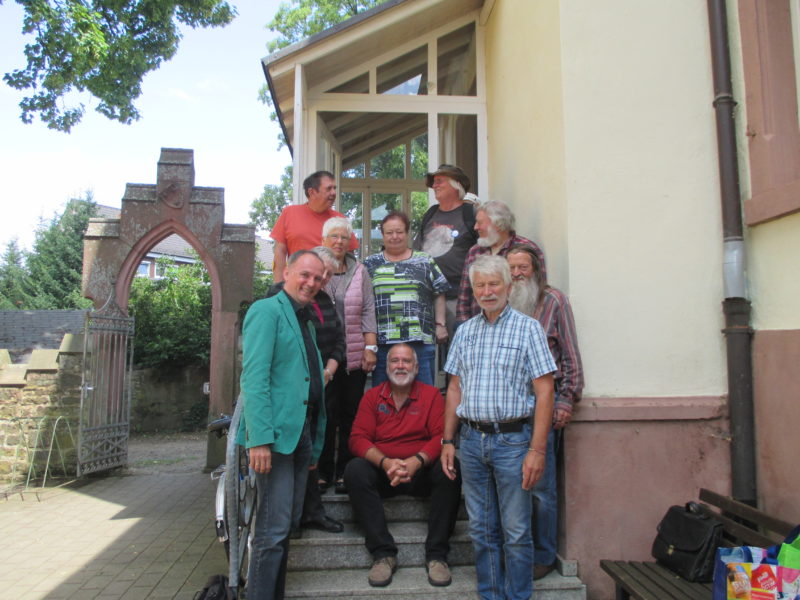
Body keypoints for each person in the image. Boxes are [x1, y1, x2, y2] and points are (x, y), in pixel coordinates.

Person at [441, 255, 556, 600]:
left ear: (507, 286)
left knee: (517, 531)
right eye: (480, 285)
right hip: (473, 442)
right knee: (481, 528)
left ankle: (518, 595)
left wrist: (537, 450)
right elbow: (454, 388)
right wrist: (449, 439)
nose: (487, 291)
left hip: (514, 442)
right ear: (473, 290)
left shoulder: (528, 328)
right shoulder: (465, 331)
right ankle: (490, 594)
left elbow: (545, 389)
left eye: (494, 284)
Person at [238, 250, 328, 599]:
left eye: (317, 278)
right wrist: (258, 439)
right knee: (271, 531)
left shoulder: (303, 318)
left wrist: (313, 442)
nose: (311, 283)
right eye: (305, 275)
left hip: (298, 435)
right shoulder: (267, 311)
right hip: (273, 439)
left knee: (285, 527)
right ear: (287, 271)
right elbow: (255, 378)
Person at [344, 343, 462, 588]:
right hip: (384, 473)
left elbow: (441, 436)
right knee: (355, 470)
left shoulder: (430, 396)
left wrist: (416, 462)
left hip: (421, 473)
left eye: (406, 361)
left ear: (416, 367)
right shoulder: (372, 396)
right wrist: (386, 462)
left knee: (450, 467)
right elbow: (357, 438)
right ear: (386, 367)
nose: (400, 366)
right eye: (395, 361)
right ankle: (382, 554)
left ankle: (437, 555)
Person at [506, 244, 584, 580]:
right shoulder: (502, 304)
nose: (517, 274)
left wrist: (566, 399)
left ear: (537, 270)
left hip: (543, 408)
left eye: (523, 267)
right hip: (508, 412)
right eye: (511, 268)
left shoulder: (553, 301)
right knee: (511, 484)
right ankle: (515, 552)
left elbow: (570, 355)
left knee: (541, 489)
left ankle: (543, 554)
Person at [265, 247, 346, 536]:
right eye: (313, 274)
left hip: (321, 386)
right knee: (291, 463)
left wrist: (330, 369)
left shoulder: (324, 298)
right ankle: (290, 521)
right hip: (290, 397)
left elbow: (339, 339)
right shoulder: (278, 300)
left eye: (324, 276)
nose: (318, 280)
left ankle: (311, 513)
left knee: (312, 453)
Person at [318, 217, 378, 494]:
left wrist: (370, 347)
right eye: (334, 237)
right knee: (325, 416)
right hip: (324, 355)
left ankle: (346, 471)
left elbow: (368, 309)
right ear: (324, 240)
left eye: (344, 237)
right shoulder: (316, 268)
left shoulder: (360, 271)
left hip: (353, 357)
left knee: (350, 416)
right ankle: (322, 471)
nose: (339, 242)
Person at [363, 211, 449, 387]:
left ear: (407, 233)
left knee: (423, 394)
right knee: (383, 395)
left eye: (400, 232)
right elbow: (364, 303)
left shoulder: (424, 260)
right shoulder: (370, 264)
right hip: (383, 342)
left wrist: (440, 324)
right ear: (383, 234)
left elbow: (439, 292)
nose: (395, 237)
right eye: (389, 232)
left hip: (420, 341)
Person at [455, 200, 547, 324]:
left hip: (517, 329)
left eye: (480, 222)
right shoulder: (474, 252)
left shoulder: (528, 249)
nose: (475, 227)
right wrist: (464, 326)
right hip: (479, 329)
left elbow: (540, 294)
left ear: (498, 224)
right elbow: (464, 296)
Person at [413, 164, 478, 336]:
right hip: (427, 297)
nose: (434, 186)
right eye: (433, 182)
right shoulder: (430, 213)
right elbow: (416, 250)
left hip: (458, 299)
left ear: (456, 184)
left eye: (439, 181)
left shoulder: (471, 214)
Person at [270, 170, 358, 282]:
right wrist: (278, 286)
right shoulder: (289, 213)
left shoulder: (340, 220)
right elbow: (280, 253)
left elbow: (350, 258)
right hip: (298, 284)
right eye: (329, 188)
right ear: (312, 192)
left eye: (334, 188)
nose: (333, 192)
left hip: (331, 284)